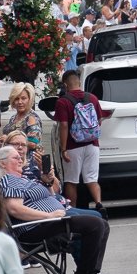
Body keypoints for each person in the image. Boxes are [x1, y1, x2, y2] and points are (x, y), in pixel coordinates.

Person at [0, 147, 111, 274]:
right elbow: (14, 208)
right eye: (15, 158)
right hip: (36, 227)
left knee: (101, 223)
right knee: (95, 224)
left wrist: (48, 183)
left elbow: (51, 197)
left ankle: (91, 272)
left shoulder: (21, 179)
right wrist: (49, 215)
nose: (20, 160)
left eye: (20, 157)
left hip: (50, 222)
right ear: (2, 163)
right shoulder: (9, 179)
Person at [54, 70, 107, 218]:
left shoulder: (63, 101)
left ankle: (73, 210)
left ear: (65, 84)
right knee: (91, 178)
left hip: (73, 146)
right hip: (92, 144)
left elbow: (64, 126)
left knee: (71, 181)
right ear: (79, 82)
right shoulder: (93, 98)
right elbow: (99, 121)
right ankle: (99, 204)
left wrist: (63, 149)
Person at [1, 83, 42, 153]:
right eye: (17, 99)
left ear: (30, 99)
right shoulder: (13, 117)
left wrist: (9, 140)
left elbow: (33, 144)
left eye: (23, 98)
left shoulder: (32, 118)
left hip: (27, 161)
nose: (20, 102)